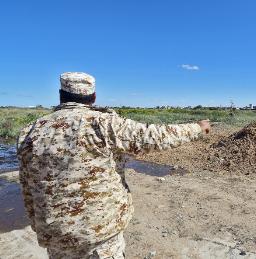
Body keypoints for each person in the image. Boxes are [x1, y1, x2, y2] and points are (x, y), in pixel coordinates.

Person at [17, 72, 210, 259]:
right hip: (99, 233)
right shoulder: (102, 123)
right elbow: (155, 136)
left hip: (55, 234)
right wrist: (197, 127)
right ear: (93, 97)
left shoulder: (30, 131)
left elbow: (26, 186)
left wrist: (38, 224)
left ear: (61, 95)